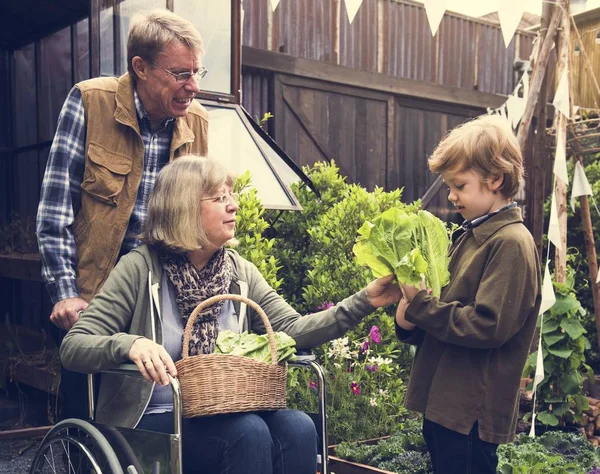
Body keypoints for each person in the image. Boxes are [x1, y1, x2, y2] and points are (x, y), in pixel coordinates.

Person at [60, 155, 403, 474]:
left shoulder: (239, 272)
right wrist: (129, 344)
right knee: (247, 432)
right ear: (184, 209)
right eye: (219, 197)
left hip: (224, 410)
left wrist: (365, 300)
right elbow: (74, 345)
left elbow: (292, 329)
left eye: (231, 195)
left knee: (299, 427)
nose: (234, 204)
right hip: (151, 418)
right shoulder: (140, 268)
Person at [36, 9, 209, 332]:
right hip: (93, 304)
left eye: (197, 72)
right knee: (85, 384)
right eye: (181, 74)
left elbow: (199, 222)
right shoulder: (90, 101)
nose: (194, 87)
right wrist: (66, 294)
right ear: (140, 67)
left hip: (165, 306)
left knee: (159, 385)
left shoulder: (197, 122)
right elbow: (55, 212)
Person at [394, 115, 542, 474]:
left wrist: (422, 304)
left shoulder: (511, 243)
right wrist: (407, 310)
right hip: (447, 404)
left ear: (495, 179)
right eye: (449, 185)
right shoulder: (471, 235)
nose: (451, 195)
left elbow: (486, 326)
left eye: (459, 184)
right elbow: (441, 305)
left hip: (470, 412)